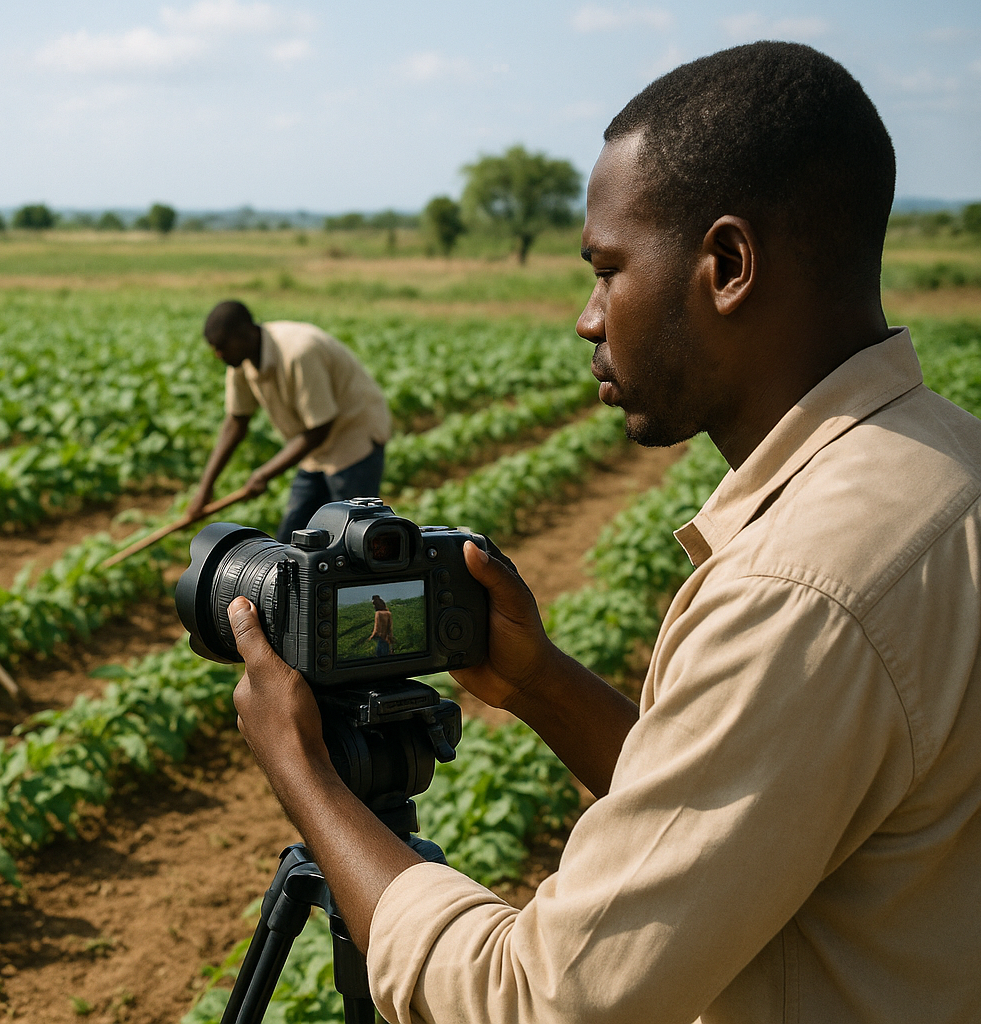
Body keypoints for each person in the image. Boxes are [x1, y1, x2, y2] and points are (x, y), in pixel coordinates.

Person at [226, 42, 981, 1023]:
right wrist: (539, 683)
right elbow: (756, 815)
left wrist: (308, 779)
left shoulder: (801, 588)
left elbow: (544, 1000)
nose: (588, 320)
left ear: (727, 265)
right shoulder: (946, 463)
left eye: (608, 268)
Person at [187, 301, 392, 543]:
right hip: (315, 452)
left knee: (350, 542)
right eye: (214, 348)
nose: (218, 355)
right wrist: (205, 490)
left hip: (354, 440)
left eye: (222, 347)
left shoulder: (299, 353)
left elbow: (320, 428)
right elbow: (236, 423)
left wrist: (263, 474)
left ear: (247, 333)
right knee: (292, 541)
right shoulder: (239, 361)